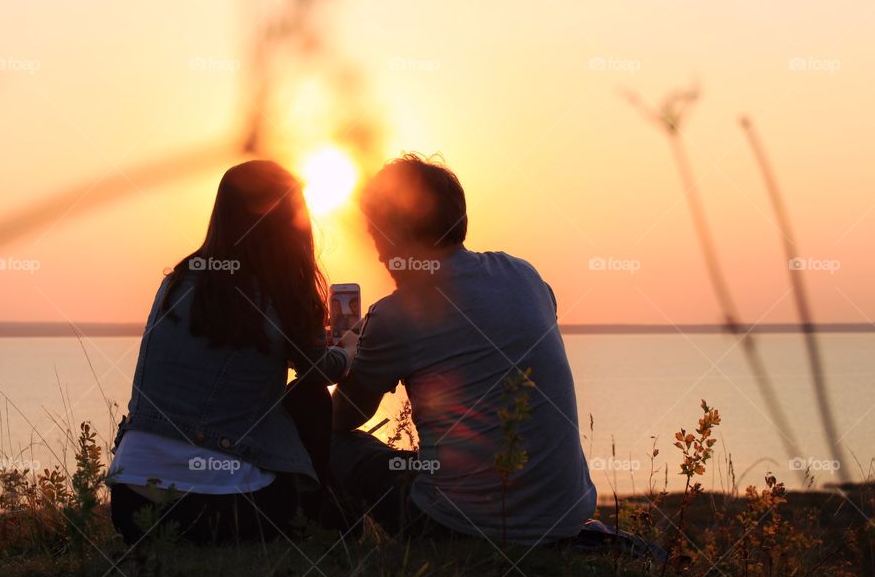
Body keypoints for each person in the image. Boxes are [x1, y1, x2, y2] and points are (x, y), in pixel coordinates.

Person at [330, 154, 597, 546]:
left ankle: (336, 545)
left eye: (377, 236)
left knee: (336, 446)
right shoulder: (523, 273)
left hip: (460, 530)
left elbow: (342, 418)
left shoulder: (397, 313)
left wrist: (350, 353)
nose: (380, 255)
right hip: (564, 521)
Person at [108, 160, 358, 545]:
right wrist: (348, 349)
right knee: (310, 398)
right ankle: (315, 520)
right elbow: (319, 371)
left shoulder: (175, 284)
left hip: (132, 507)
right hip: (221, 511)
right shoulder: (281, 291)